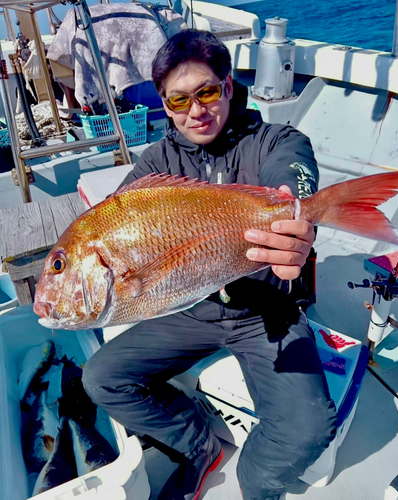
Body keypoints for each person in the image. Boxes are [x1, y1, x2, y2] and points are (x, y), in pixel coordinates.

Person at [83, 29, 338, 500]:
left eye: (206, 92)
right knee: (101, 377)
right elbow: (120, 218)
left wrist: (295, 218)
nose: (196, 111)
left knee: (309, 425)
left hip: (267, 313)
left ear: (227, 86)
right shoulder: (155, 163)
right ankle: (198, 445)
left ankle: (255, 481)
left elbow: (292, 178)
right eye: (178, 101)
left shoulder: (274, 140)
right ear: (164, 105)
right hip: (191, 309)